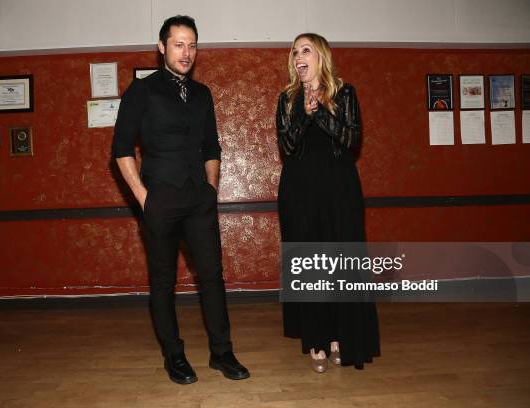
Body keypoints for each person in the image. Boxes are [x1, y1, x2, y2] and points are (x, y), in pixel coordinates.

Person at [112, 15, 249, 384]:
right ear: (162, 48)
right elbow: (121, 150)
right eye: (178, 44)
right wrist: (144, 198)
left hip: (199, 201)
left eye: (192, 45)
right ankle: (174, 356)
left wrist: (211, 189)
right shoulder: (141, 91)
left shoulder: (203, 94)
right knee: (162, 281)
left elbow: (212, 147)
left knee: (213, 278)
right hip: (160, 201)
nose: (186, 52)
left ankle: (222, 353)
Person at [276, 33, 380, 372]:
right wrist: (305, 115)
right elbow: (287, 146)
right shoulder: (287, 99)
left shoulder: (344, 93)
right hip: (300, 192)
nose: (297, 57)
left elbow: (352, 139)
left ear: (320, 56)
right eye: (294, 52)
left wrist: (319, 111)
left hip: (339, 190)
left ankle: (338, 336)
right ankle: (316, 340)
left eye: (305, 50)